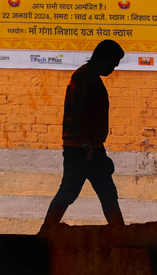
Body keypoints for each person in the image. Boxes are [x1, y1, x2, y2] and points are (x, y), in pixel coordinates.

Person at [40, 40, 127, 233]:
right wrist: (85, 141)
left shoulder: (89, 77)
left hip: (90, 146)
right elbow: (78, 110)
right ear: (102, 58)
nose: (113, 69)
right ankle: (46, 230)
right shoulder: (85, 77)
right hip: (82, 148)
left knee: (107, 192)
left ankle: (119, 230)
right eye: (112, 64)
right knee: (70, 191)